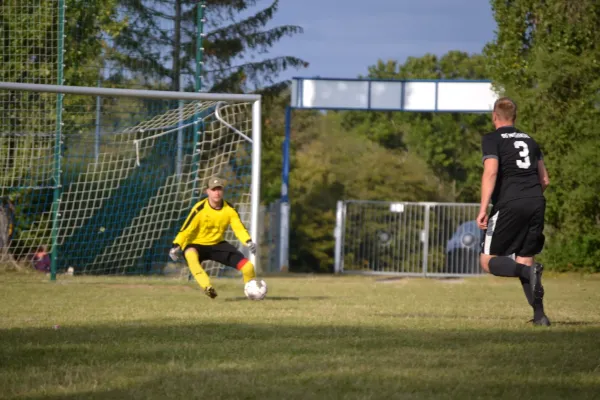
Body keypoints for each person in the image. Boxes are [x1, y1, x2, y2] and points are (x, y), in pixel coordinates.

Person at [477, 97, 551, 326]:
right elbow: (545, 179)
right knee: (526, 259)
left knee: (487, 260)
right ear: (514, 117)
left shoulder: (492, 139)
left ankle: (527, 274)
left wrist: (483, 208)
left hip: (510, 202)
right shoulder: (530, 140)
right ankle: (540, 316)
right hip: (536, 200)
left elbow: (490, 172)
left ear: (494, 116)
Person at [169, 176, 257, 299]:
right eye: (213, 189)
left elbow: (239, 228)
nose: (217, 192)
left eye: (219, 189)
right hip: (195, 244)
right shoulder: (199, 209)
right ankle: (207, 287)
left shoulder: (230, 210)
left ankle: (253, 292)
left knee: (248, 267)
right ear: (207, 191)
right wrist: (176, 245)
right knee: (190, 255)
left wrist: (248, 241)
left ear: (223, 191)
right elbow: (186, 230)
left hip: (217, 244)